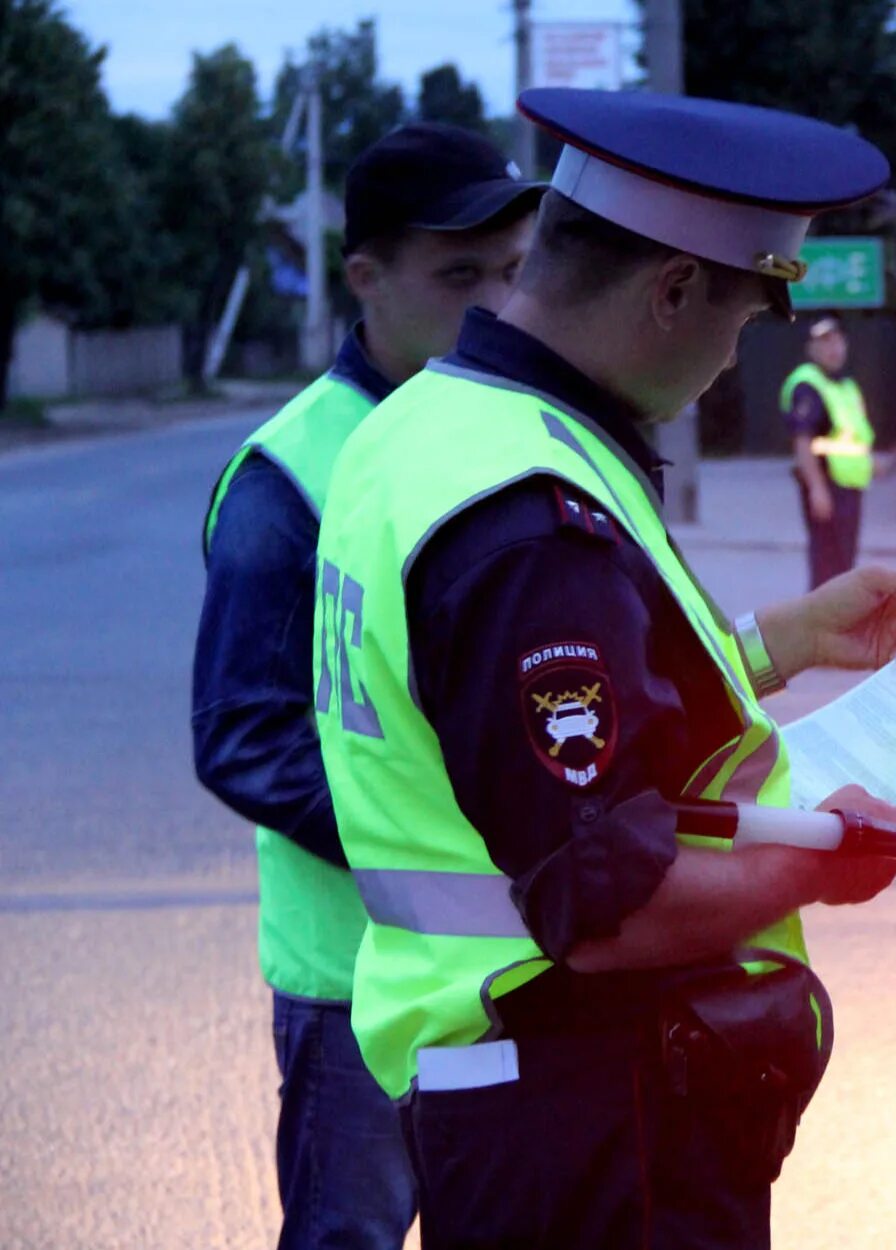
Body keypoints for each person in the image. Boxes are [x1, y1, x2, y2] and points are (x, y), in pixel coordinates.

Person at [311, 88, 896, 1249]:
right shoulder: (530, 516)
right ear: (674, 290)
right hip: (591, 1114)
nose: (729, 356)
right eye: (745, 320)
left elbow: (518, 721)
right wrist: (824, 861)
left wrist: (784, 641)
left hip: (511, 1093)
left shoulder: (423, 426)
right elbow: (607, 904)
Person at [190, 123, 543, 1250]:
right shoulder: (291, 473)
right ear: (365, 277)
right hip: (354, 987)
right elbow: (242, 734)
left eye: (511, 270)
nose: (492, 302)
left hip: (509, 970)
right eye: (456, 276)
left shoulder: (505, 433)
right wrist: (445, 841)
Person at [783, 313, 874, 589]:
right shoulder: (808, 385)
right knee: (827, 568)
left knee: (844, 565)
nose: (833, 348)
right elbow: (802, 441)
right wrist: (816, 489)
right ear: (811, 349)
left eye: (837, 341)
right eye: (824, 342)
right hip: (827, 487)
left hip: (849, 487)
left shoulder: (846, 386)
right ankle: (821, 627)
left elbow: (853, 441)